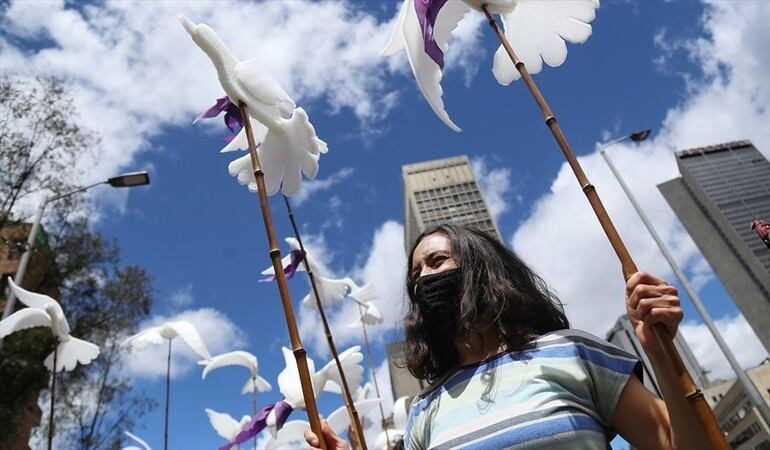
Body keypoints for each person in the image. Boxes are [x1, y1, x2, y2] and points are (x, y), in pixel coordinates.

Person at [306, 224, 709, 449]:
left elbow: (677, 444)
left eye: (437, 261)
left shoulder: (573, 352)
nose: (425, 278)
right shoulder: (425, 409)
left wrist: (658, 352)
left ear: (481, 268)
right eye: (417, 274)